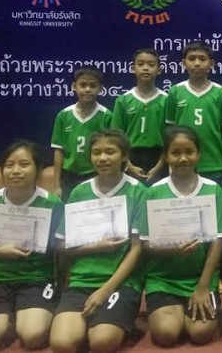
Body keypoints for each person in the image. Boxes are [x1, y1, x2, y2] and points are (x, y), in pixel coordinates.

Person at [50, 129, 145, 353]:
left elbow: (137, 249)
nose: (102, 158)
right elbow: (62, 244)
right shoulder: (79, 192)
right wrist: (95, 246)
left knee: (102, 342)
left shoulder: (138, 191)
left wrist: (104, 291)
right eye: (96, 153)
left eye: (110, 152)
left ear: (124, 156)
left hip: (120, 282)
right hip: (81, 280)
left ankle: (113, 321)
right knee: (62, 344)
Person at [137, 126, 222, 347]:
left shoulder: (213, 190)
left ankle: (200, 300)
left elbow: (218, 240)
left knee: (200, 333)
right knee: (166, 334)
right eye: (175, 153)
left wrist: (203, 286)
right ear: (166, 156)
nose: (183, 158)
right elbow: (145, 243)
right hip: (163, 279)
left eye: (189, 152)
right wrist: (173, 249)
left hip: (201, 277)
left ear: (199, 153)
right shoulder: (153, 192)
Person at [0, 140, 63, 352]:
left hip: (37, 278)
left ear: (38, 170)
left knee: (33, 337)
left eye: (24, 164)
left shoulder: (52, 203)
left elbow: (61, 245)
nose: (16, 171)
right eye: (9, 165)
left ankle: (23, 315)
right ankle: (8, 317)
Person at [165, 41, 222, 185]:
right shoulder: (175, 92)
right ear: (184, 63)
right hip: (181, 163)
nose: (197, 63)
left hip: (213, 164)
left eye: (202, 59)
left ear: (211, 64)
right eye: (192, 59)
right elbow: (170, 130)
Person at [51, 67, 112, 201]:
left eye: (92, 86)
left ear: (100, 89)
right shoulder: (64, 115)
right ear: (74, 87)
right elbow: (58, 151)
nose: (87, 89)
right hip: (69, 175)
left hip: (95, 173)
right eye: (83, 85)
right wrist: (56, 185)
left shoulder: (106, 116)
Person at [111, 48, 167, 184]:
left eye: (151, 64)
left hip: (160, 158)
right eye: (141, 64)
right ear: (133, 68)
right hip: (130, 157)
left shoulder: (167, 100)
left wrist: (159, 167)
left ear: (159, 70)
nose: (145, 68)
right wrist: (129, 167)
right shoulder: (123, 100)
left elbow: (171, 138)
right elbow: (116, 137)